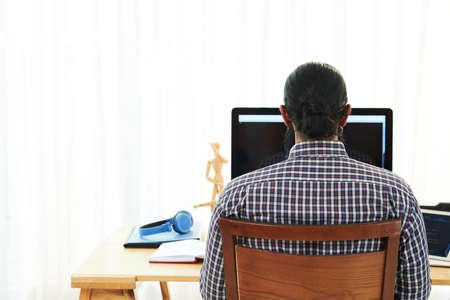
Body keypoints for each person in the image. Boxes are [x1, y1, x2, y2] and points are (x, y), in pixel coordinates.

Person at [200, 62, 431, 300]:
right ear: (345, 115)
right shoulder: (397, 195)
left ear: (285, 115)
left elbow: (214, 293)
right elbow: (415, 293)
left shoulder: (235, 197)